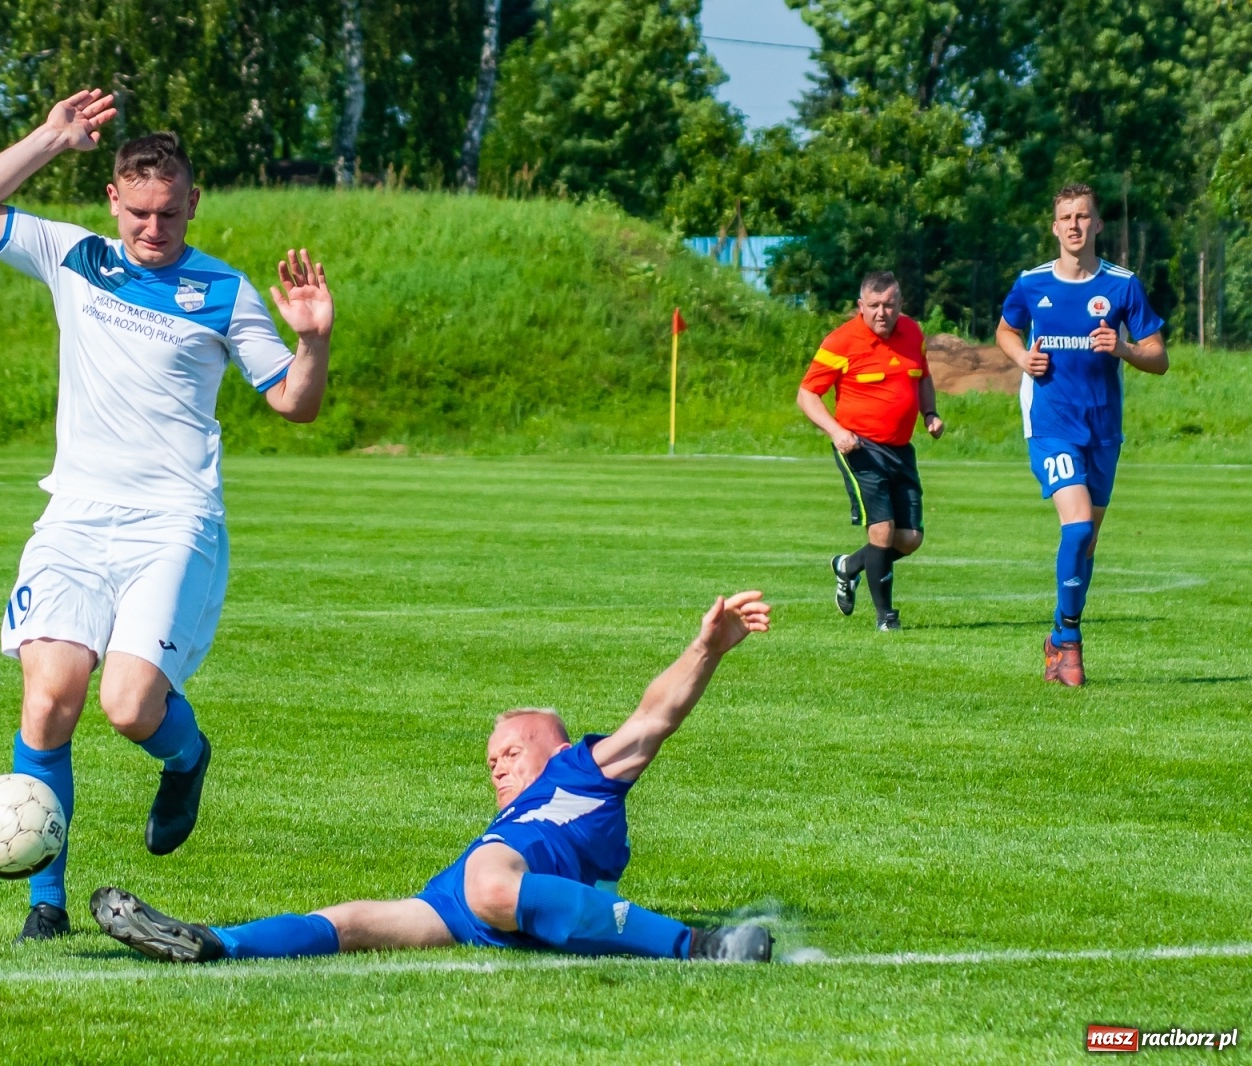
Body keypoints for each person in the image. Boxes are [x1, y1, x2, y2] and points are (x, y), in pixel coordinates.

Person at [0, 89, 334, 941]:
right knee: (49, 702)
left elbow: (295, 407)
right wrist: (50, 139)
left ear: (193, 202)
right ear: (113, 199)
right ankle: (45, 904)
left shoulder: (225, 292)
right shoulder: (75, 256)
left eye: (168, 212)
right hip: (75, 518)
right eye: (138, 212)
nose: (152, 229)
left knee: (126, 706)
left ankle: (185, 757)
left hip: (172, 523)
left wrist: (313, 343)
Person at [88, 592, 776, 964]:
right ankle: (212, 941)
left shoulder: (578, 775)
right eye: (491, 760)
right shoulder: (508, 819)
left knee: (487, 880)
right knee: (354, 920)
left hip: (496, 881)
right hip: (472, 890)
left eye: (508, 749)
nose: (496, 764)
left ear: (554, 742)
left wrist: (705, 649)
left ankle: (703, 947)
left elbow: (655, 717)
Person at [996, 183, 1167, 687]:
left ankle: (1056, 633)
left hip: (1103, 430)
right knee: (1076, 529)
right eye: (1065, 217)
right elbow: (1005, 330)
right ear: (1054, 227)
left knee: (1087, 543)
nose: (1074, 225)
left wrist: (1124, 349)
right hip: (1050, 426)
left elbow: (1159, 356)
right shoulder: (1031, 284)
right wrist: (1021, 357)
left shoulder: (1122, 285)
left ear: (1097, 225)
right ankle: (1069, 641)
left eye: (1083, 216)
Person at [797, 272, 945, 631]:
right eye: (874, 306)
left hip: (900, 449)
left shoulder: (912, 333)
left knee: (909, 539)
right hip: (860, 447)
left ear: (900, 305)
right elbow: (807, 395)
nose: (882, 313)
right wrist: (836, 431)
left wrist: (930, 413)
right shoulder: (841, 341)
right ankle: (886, 618)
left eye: (889, 305)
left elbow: (922, 376)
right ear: (860, 306)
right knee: (881, 530)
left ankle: (848, 566)